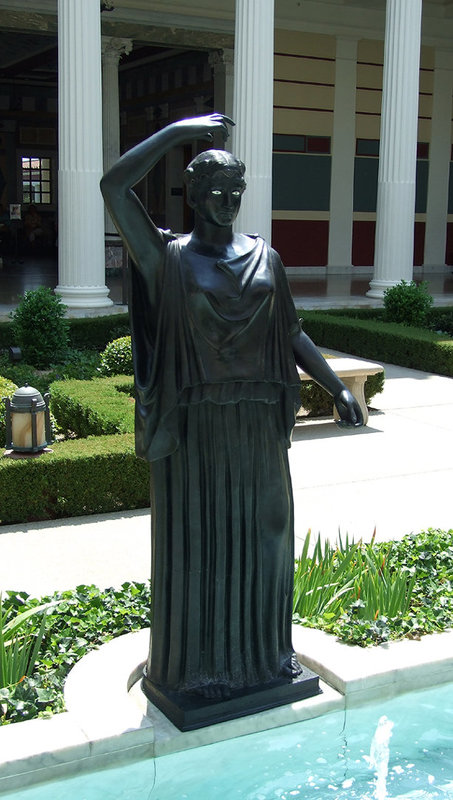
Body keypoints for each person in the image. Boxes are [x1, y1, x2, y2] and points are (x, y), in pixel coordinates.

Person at [101, 113, 362, 704]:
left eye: (236, 191)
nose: (227, 200)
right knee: (201, 547)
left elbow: (291, 332)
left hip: (257, 422)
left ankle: (265, 659)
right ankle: (197, 671)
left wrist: (335, 386)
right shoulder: (166, 258)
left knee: (267, 536)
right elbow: (114, 187)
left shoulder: (265, 258)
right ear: (192, 194)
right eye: (215, 190)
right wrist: (182, 131)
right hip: (197, 429)